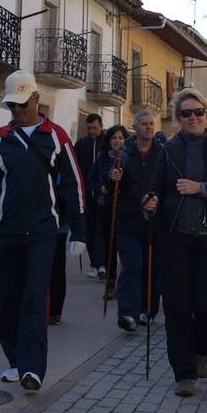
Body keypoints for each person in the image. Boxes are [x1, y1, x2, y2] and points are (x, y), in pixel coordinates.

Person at [0, 70, 86, 392]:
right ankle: (16, 360)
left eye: (21, 104)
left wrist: (80, 231)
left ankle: (32, 368)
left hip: (43, 231)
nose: (16, 111)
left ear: (35, 99)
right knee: (9, 299)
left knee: (34, 297)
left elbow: (73, 184)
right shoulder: (0, 138)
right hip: (5, 231)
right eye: (12, 106)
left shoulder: (56, 136)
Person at [143, 88, 207, 397]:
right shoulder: (167, 150)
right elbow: (154, 189)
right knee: (177, 308)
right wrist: (150, 201)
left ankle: (203, 349)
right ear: (178, 118)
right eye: (186, 113)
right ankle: (184, 374)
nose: (193, 117)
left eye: (198, 112)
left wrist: (201, 188)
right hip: (175, 240)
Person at [113, 109, 162, 332]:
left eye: (151, 124)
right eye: (144, 124)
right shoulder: (124, 153)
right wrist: (112, 178)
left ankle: (147, 310)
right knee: (131, 266)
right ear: (135, 127)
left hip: (153, 221)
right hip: (128, 221)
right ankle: (127, 313)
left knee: (151, 268)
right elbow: (113, 184)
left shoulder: (163, 153)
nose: (149, 127)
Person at [90, 124, 129, 289]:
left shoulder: (130, 157)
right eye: (114, 137)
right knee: (109, 245)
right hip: (106, 206)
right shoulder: (102, 158)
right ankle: (110, 282)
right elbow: (91, 179)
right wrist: (101, 187)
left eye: (120, 138)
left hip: (125, 207)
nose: (117, 141)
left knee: (125, 246)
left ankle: (125, 282)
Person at [74, 113, 106, 278]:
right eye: (89, 128)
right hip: (86, 194)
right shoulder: (81, 144)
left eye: (95, 127)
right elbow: (75, 167)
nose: (92, 131)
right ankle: (95, 264)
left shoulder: (107, 143)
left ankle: (104, 264)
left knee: (102, 229)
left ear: (101, 126)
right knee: (90, 230)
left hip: (103, 194)